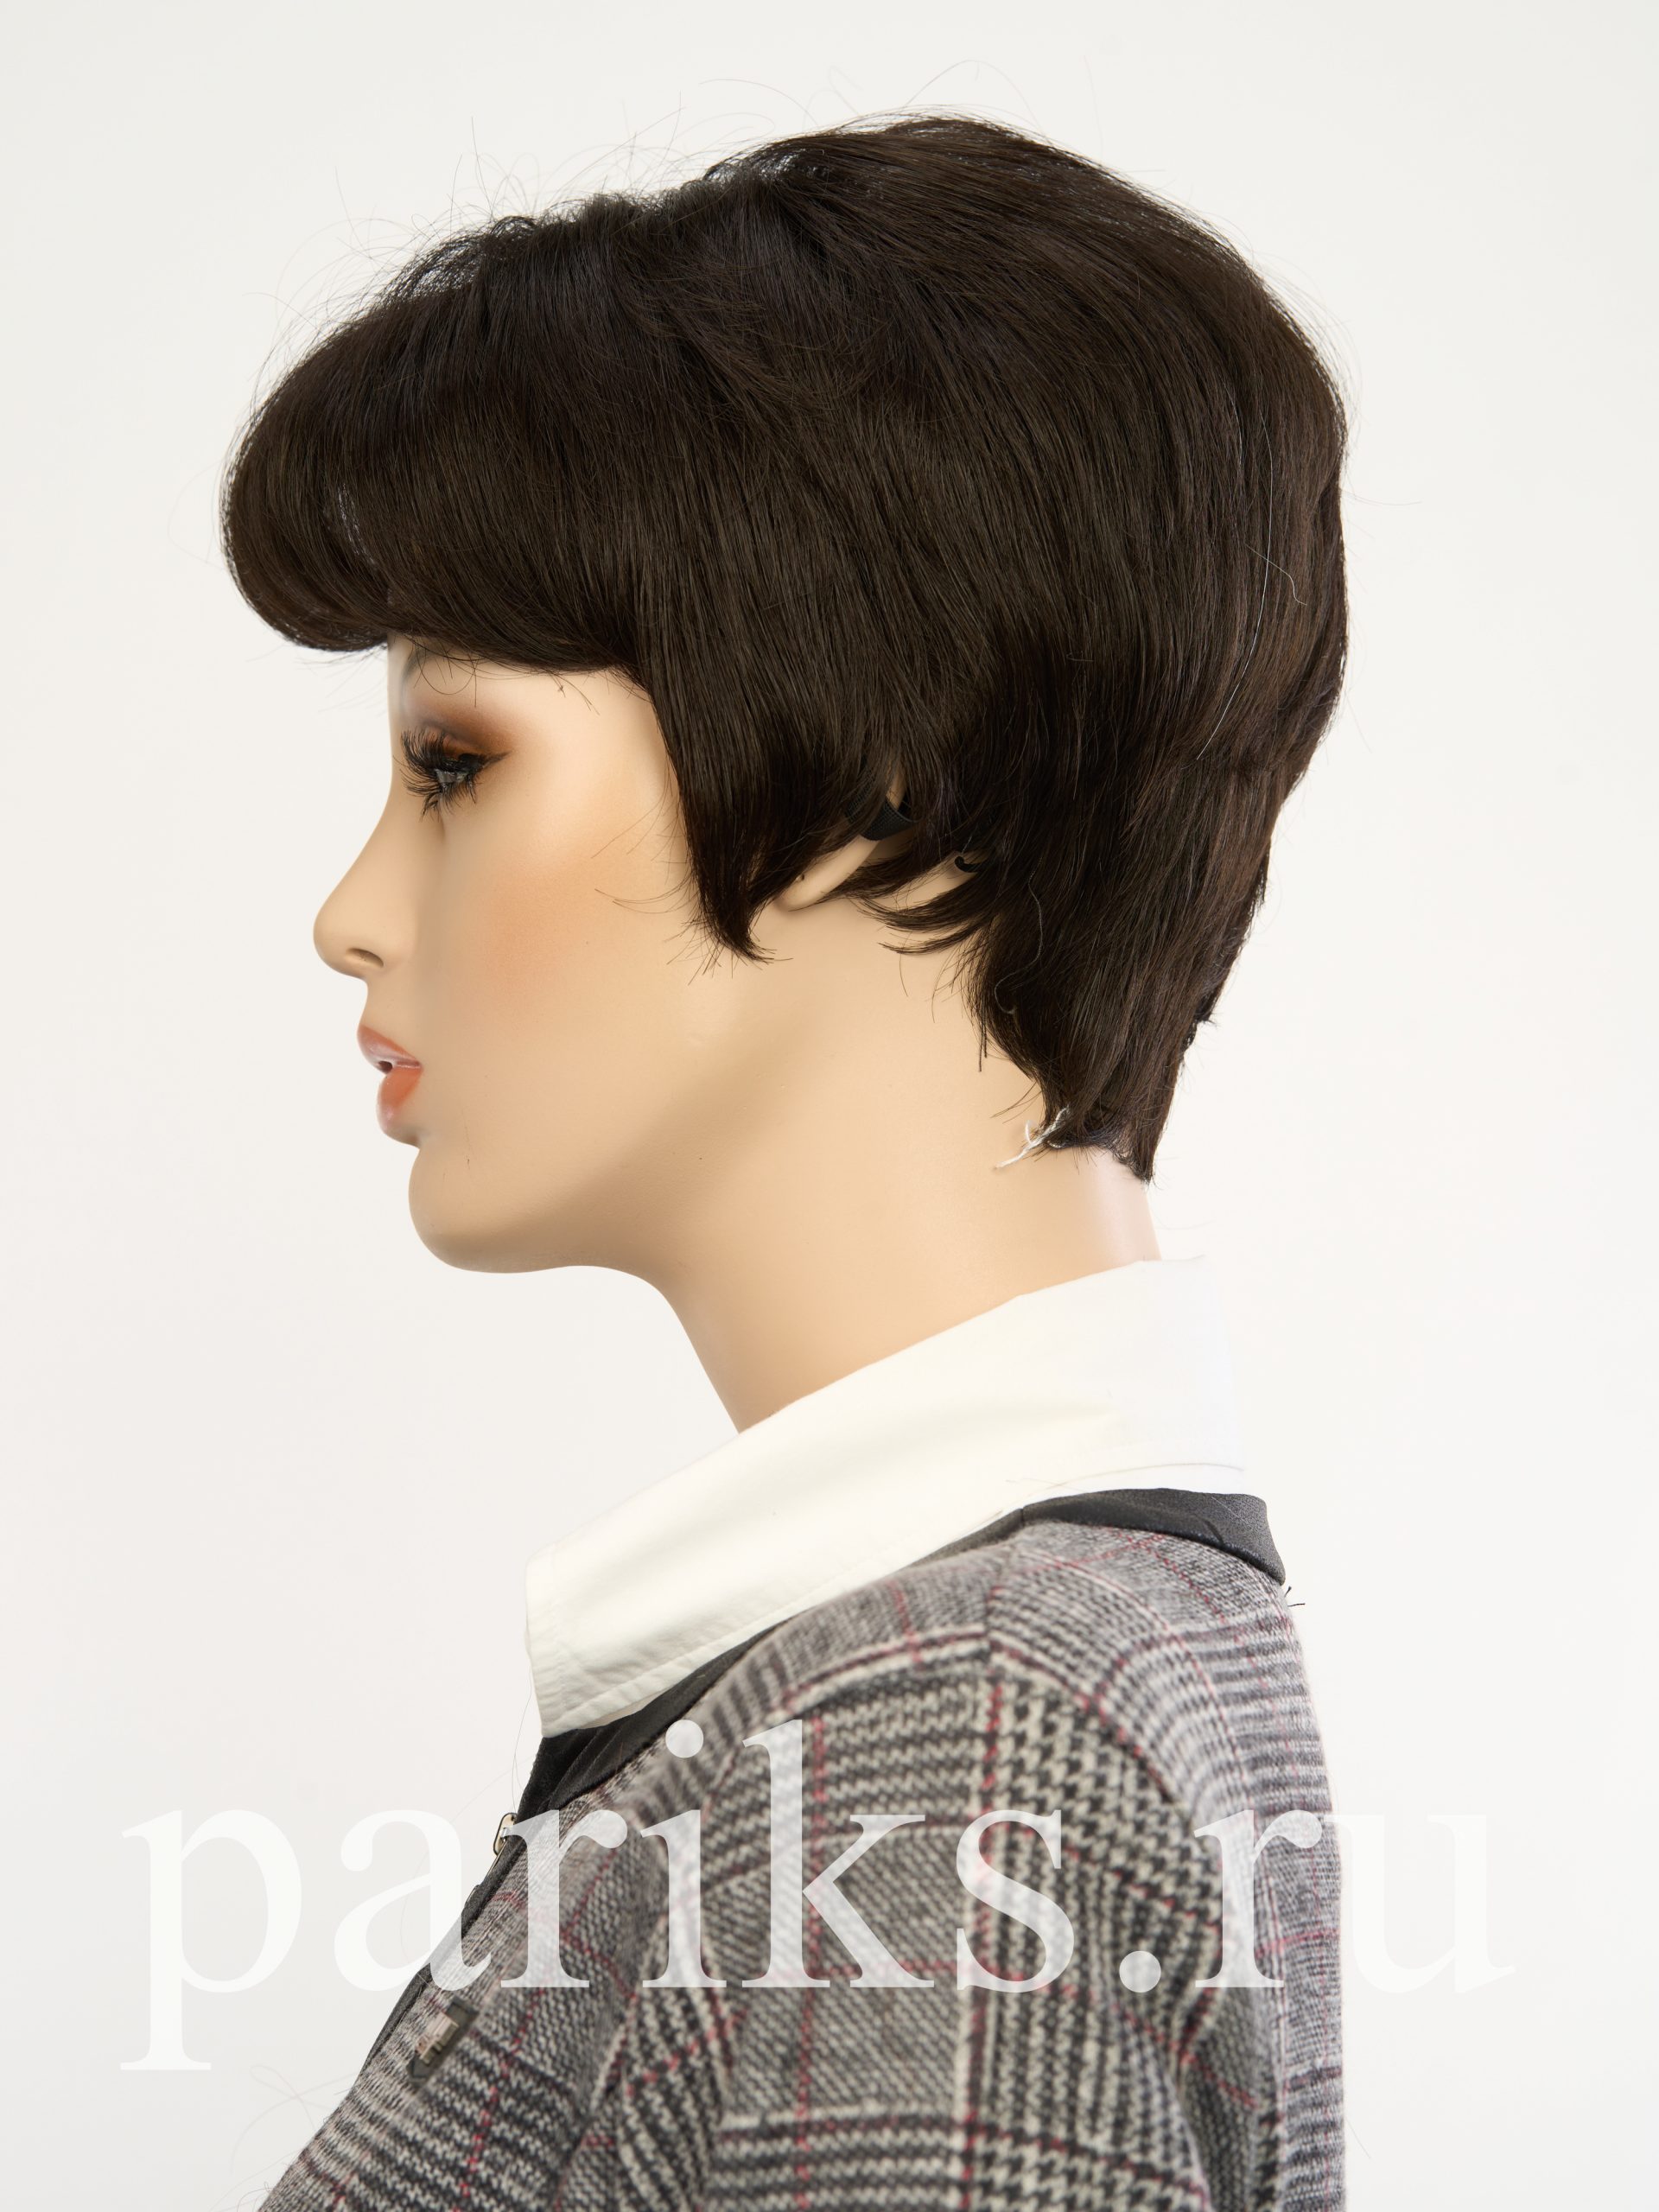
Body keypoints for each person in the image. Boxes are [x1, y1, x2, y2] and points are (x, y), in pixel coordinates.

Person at [222, 111, 1350, 2209]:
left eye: (455, 762)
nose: (352, 913)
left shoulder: (957, 1728)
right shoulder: (1029, 1647)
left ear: (874, 775)